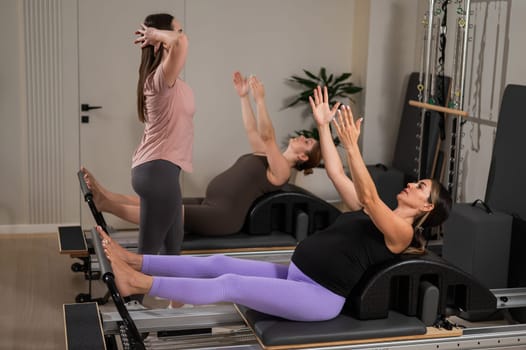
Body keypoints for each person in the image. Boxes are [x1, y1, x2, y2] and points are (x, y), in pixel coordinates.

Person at [97, 86, 452, 322]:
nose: (411, 183)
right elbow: (333, 170)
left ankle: (138, 284)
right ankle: (135, 260)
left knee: (230, 284)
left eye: (421, 186)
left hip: (318, 296)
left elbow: (371, 196)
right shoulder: (369, 211)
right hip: (297, 274)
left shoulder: (401, 233)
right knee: (219, 262)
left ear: (426, 208)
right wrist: (324, 128)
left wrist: (353, 146)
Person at [81, 72, 322, 236]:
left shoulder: (281, 171)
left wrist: (261, 101)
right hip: (211, 204)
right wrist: (243, 97)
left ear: (302, 157)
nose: (302, 136)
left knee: (161, 213)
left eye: (307, 141)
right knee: (157, 203)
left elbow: (268, 137)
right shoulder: (266, 157)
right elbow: (251, 128)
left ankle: (108, 205)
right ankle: (107, 194)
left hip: (222, 217)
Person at [131, 13, 192, 257]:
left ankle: (174, 297)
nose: (180, 34)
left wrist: (161, 36)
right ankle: (131, 296)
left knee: (172, 248)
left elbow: (179, 43)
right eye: (176, 30)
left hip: (162, 171)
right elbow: (182, 42)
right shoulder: (159, 79)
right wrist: (155, 35)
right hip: (158, 171)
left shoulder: (167, 78)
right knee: (147, 252)